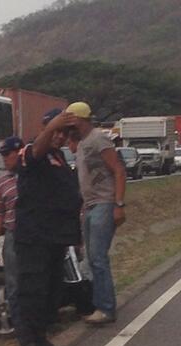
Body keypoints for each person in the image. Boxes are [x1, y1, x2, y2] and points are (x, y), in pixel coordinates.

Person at [13, 110, 83, 346]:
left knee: (51, 291)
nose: (61, 137)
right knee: (32, 290)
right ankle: (28, 342)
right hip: (34, 237)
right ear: (46, 128)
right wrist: (52, 126)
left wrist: (75, 238)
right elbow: (35, 152)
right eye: (57, 131)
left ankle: (41, 338)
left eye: (65, 133)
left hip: (56, 237)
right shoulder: (33, 151)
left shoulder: (59, 158)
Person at [68, 101, 126, 324]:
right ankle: (100, 304)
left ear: (79, 119)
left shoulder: (98, 138)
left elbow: (118, 170)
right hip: (91, 206)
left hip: (104, 203)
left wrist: (118, 204)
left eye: (70, 119)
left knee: (99, 258)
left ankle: (106, 308)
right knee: (93, 259)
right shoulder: (82, 143)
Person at [0, 135, 24, 328]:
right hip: (13, 236)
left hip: (36, 237)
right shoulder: (1, 183)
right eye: (2, 155)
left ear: (19, 152)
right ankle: (20, 327)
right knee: (14, 284)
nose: (4, 159)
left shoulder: (35, 175)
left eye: (7, 154)